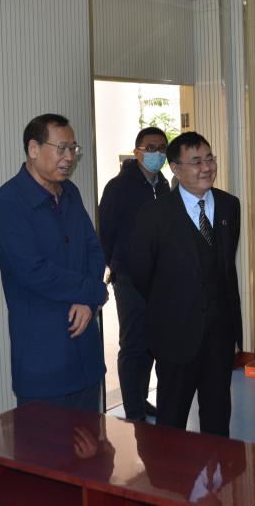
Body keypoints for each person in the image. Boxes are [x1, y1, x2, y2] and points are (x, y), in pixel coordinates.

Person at [0, 114, 108, 412]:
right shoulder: (9, 201)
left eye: (73, 149)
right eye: (62, 148)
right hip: (44, 357)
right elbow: (33, 271)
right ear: (33, 149)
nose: (69, 157)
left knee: (92, 440)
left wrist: (87, 299)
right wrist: (92, 290)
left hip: (86, 357)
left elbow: (94, 250)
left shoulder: (70, 193)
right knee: (45, 441)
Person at [129, 132, 241, 437]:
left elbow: (224, 266)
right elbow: (140, 272)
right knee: (172, 423)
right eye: (196, 162)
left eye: (209, 159)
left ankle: (218, 469)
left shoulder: (230, 206)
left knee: (218, 417)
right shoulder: (154, 214)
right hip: (175, 335)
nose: (206, 167)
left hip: (220, 334)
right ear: (176, 168)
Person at [98, 126, 169, 421]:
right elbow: (105, 233)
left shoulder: (163, 185)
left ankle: (141, 398)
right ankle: (133, 411)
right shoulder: (118, 187)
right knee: (132, 345)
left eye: (162, 148)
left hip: (159, 278)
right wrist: (114, 267)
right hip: (128, 277)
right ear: (138, 151)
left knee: (152, 343)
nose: (157, 153)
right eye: (151, 148)